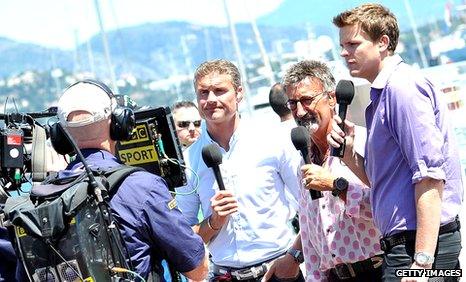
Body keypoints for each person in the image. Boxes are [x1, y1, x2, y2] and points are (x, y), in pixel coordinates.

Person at [330, 4, 463, 281]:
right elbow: (385, 181)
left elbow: (429, 176)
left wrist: (423, 262)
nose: (344, 53)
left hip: (421, 248)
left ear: (383, 43)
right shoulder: (383, 93)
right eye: (342, 45)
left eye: (353, 44)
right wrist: (349, 153)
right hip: (405, 245)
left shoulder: (401, 89)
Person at [55, 80, 208, 281]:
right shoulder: (143, 187)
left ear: (60, 134)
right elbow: (198, 269)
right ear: (119, 124)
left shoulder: (45, 195)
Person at [176, 59, 303, 281]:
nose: (211, 100)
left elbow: (310, 206)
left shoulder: (273, 140)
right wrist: (214, 221)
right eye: (204, 93)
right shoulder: (189, 160)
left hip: (279, 272)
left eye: (220, 91)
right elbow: (185, 236)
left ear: (239, 93)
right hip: (225, 275)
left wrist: (293, 257)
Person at [265, 60, 383, 281]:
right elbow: (311, 231)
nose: (300, 111)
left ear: (331, 98)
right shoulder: (304, 158)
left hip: (378, 271)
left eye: (307, 100)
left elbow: (388, 209)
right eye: (292, 104)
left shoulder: (363, 142)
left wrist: (337, 186)